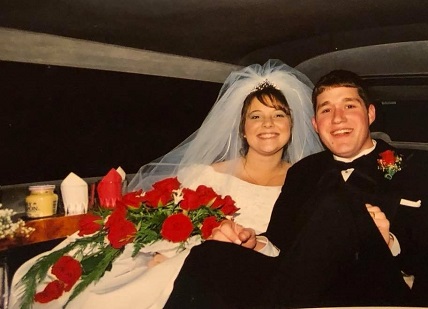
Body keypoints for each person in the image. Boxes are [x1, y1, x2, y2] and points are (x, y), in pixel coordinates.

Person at [9, 60, 323, 309]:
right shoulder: (208, 175)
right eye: (256, 116)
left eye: (278, 115)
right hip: (186, 262)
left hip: (253, 277)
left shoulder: (307, 179)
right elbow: (171, 223)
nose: (267, 124)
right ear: (242, 129)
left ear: (291, 126)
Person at [164, 69, 428, 308]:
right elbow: (281, 240)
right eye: (326, 110)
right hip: (304, 288)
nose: (337, 118)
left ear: (370, 114)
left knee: (338, 208)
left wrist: (389, 243)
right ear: (315, 124)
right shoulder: (303, 172)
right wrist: (253, 241)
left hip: (375, 291)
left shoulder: (423, 167)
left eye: (349, 106)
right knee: (210, 254)